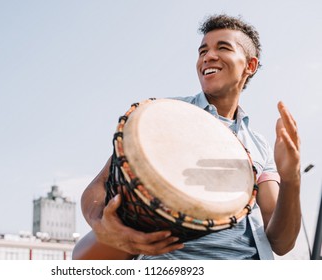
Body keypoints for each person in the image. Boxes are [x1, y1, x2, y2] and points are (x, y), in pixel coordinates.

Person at [73, 14, 301, 260]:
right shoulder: (163, 114)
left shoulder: (260, 146)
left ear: (250, 65)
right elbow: (98, 187)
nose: (208, 56)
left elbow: (281, 243)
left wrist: (291, 178)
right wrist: (103, 227)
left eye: (222, 47)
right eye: (202, 50)